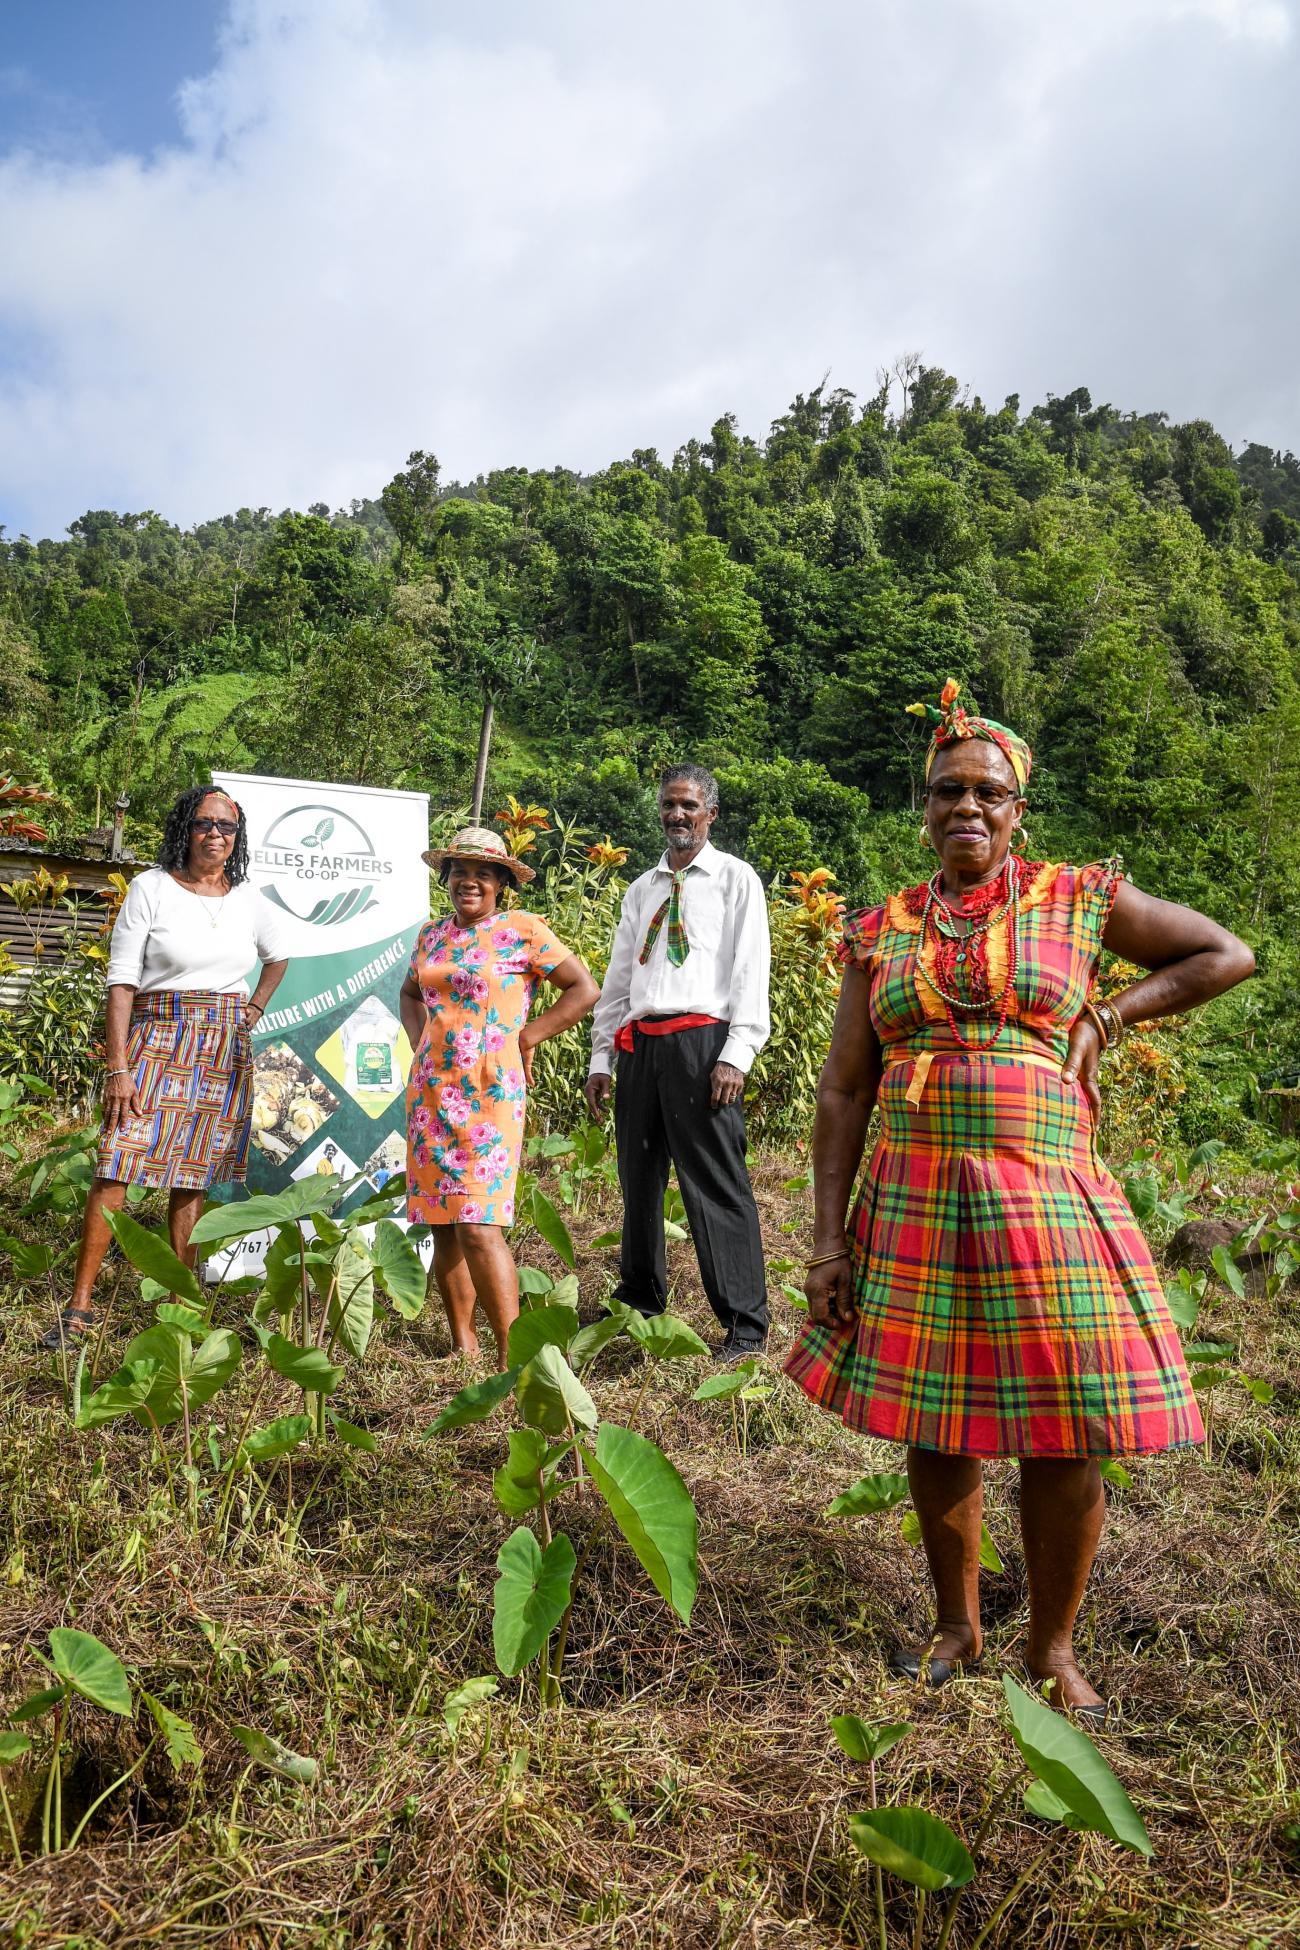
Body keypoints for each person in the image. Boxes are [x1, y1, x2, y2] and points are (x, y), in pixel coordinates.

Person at [785, 681, 1254, 1718]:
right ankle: (953, 1626)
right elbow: (843, 1088)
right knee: (935, 1419)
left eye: (986, 794)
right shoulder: (881, 929)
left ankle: (1050, 1648)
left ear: (1016, 810)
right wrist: (826, 1244)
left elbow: (1222, 954)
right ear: (923, 808)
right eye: (946, 792)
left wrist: (1106, 1019)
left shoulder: (1077, 896)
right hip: (912, 1199)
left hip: (1044, 1192)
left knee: (1066, 1424)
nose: (966, 809)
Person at [42, 785, 290, 1347]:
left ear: (237, 836)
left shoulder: (247, 899)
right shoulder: (150, 888)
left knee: (192, 1178)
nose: (215, 835)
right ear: (186, 827)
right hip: (156, 1038)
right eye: (205, 823)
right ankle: (79, 1307)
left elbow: (278, 957)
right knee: (116, 1167)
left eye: (227, 827)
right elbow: (122, 983)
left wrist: (250, 1009)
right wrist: (118, 1066)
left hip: (222, 1047)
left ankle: (182, 1308)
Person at [585, 764, 771, 1360]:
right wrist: (601, 1057)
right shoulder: (642, 888)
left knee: (715, 1184)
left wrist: (736, 1054)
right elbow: (620, 978)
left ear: (710, 814)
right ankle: (640, 1299)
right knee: (638, 1179)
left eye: (690, 805)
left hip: (703, 1046)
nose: (678, 815)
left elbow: (750, 969)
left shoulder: (735, 880)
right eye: (670, 804)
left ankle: (744, 1325)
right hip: (642, 1045)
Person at [400, 826, 598, 1367]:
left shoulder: (523, 931)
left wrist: (527, 1035)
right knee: (443, 1220)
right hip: (431, 1094)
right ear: (446, 879)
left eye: (483, 873)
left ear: (502, 884)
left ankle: (516, 1357)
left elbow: (584, 989)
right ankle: (463, 1345)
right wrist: (421, 1041)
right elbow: (410, 991)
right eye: (459, 872)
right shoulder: (430, 936)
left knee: (478, 1222)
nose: (470, 882)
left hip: (490, 1092)